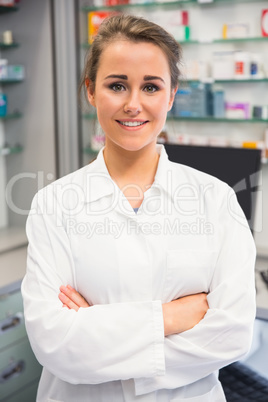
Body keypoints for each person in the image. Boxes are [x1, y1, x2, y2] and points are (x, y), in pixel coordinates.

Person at [21, 14, 256, 402]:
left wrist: (96, 332)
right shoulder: (54, 204)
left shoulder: (215, 199)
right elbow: (56, 345)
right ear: (91, 91)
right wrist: (169, 318)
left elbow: (231, 335)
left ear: (171, 95)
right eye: (117, 85)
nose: (133, 104)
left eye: (150, 86)